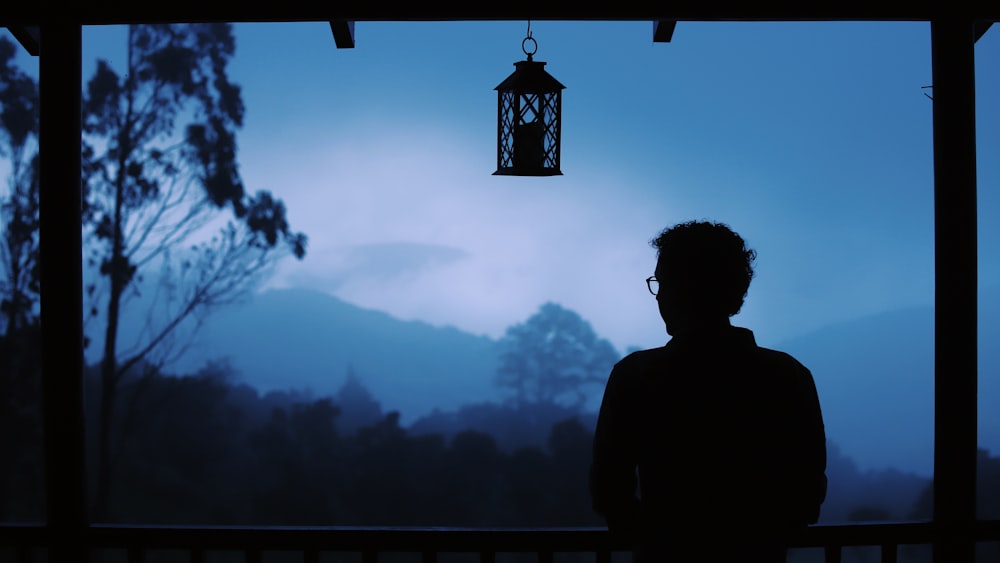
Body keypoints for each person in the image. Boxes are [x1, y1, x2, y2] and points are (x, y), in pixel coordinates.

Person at [590, 220, 827, 563]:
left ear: (682, 289)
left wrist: (650, 533)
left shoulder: (636, 376)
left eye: (663, 283)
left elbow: (610, 487)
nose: (660, 296)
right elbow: (806, 491)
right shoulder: (787, 375)